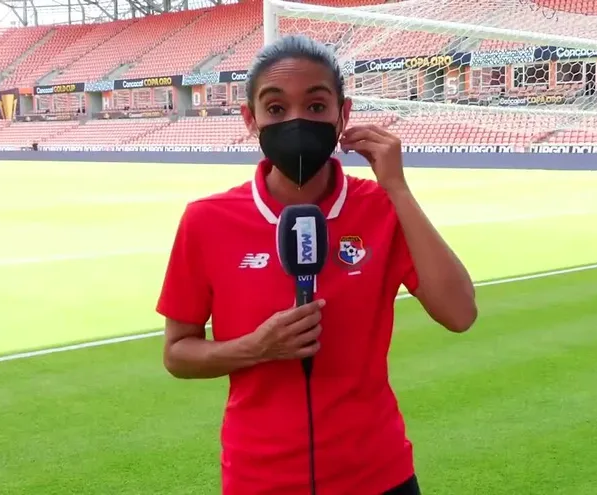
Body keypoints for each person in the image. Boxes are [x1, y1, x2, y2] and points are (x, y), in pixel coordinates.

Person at [156, 35, 477, 495]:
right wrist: (255, 347)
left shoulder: (382, 208)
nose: (297, 121)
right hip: (259, 478)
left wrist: (398, 190)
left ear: (343, 115)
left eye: (316, 105)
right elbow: (177, 354)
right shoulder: (206, 220)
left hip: (377, 474)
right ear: (251, 120)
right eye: (276, 108)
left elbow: (460, 313)